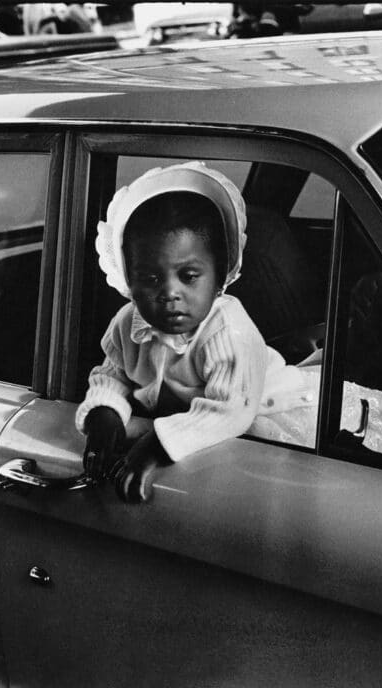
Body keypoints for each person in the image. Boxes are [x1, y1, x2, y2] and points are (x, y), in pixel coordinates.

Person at [76, 162, 315, 502]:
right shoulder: (128, 322)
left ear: (220, 276)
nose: (170, 293)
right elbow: (113, 374)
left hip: (263, 412)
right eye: (150, 278)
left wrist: (153, 448)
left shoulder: (227, 330)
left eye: (188, 276)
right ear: (128, 280)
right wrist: (105, 414)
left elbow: (229, 410)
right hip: (197, 420)